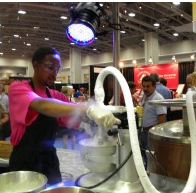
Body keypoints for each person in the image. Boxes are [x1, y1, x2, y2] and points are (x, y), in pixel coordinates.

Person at [8, 47, 119, 185]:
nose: (55, 73)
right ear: (35, 65)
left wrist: (98, 122)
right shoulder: (18, 88)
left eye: (57, 69)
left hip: (49, 159)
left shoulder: (56, 96)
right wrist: (87, 109)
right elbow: (41, 105)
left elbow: (76, 117)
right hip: (24, 161)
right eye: (50, 67)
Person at [140, 75, 167, 169]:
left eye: (148, 86)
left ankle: (152, 176)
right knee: (145, 154)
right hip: (144, 131)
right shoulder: (145, 97)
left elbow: (162, 117)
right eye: (143, 86)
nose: (145, 89)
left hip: (151, 132)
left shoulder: (157, 98)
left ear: (154, 87)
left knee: (151, 156)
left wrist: (155, 134)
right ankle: (146, 173)